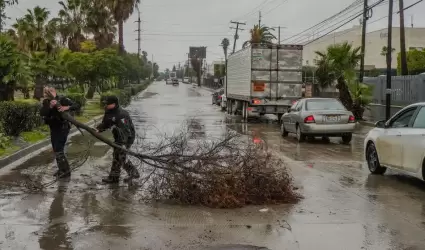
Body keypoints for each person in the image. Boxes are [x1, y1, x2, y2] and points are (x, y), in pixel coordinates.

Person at [96, 95, 140, 183]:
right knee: (118, 157)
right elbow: (106, 123)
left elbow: (126, 131)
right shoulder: (108, 111)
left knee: (120, 156)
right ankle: (115, 177)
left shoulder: (122, 115)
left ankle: (130, 173)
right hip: (118, 137)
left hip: (126, 138)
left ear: (114, 104)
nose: (106, 105)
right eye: (106, 103)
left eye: (108, 104)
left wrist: (123, 144)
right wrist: (99, 129)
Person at [40, 87, 79, 178]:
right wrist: (50, 106)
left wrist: (67, 107)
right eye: (45, 93)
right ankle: (62, 169)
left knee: (59, 149)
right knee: (55, 149)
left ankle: (66, 171)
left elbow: (77, 105)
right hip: (53, 128)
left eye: (49, 92)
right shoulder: (46, 102)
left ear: (54, 92)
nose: (47, 94)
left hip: (63, 127)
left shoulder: (62, 99)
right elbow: (43, 112)